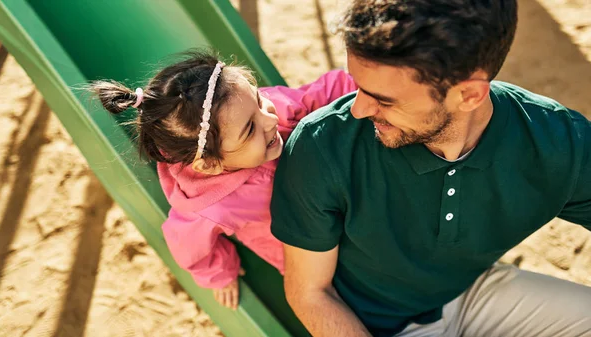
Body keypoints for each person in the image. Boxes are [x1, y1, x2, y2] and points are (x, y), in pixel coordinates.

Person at [270, 1, 591, 336]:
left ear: (468, 95)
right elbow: (310, 293)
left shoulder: (554, 139)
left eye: (385, 99)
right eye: (357, 84)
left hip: (473, 291)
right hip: (377, 327)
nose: (359, 109)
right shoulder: (322, 147)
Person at [91, 50, 356, 310]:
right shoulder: (211, 207)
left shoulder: (255, 112)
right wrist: (220, 273)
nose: (271, 118)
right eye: (250, 129)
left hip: (344, 203)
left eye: (260, 99)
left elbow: (323, 92)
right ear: (210, 164)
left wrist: (361, 89)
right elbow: (186, 244)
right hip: (312, 256)